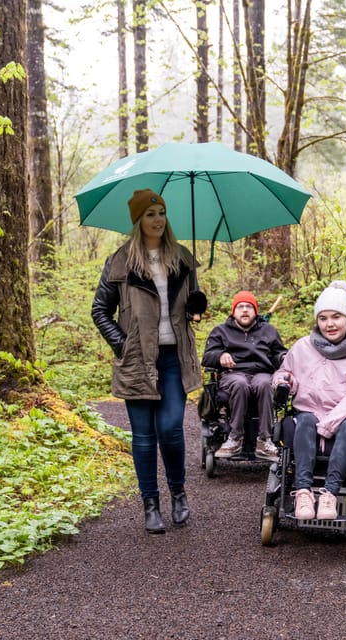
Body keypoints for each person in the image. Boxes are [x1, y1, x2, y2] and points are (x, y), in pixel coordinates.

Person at [91, 188, 208, 535]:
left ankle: (179, 494)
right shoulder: (120, 262)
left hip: (173, 358)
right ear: (138, 221)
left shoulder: (183, 258)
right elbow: (100, 310)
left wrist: (196, 305)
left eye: (162, 213)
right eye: (150, 215)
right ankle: (150, 504)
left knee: (170, 428)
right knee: (143, 437)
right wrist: (121, 344)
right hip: (137, 359)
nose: (158, 220)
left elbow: (191, 309)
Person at [272, 280, 346, 520]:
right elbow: (285, 371)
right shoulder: (303, 347)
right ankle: (302, 491)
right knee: (303, 421)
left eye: (336, 317)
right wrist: (283, 382)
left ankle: (329, 495)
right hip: (310, 413)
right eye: (323, 318)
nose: (329, 324)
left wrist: (330, 422)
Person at [201, 291, 287, 461]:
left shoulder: (268, 331)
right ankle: (234, 438)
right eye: (241, 307)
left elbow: (279, 353)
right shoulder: (221, 331)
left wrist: (284, 358)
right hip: (233, 374)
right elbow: (207, 357)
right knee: (240, 383)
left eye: (249, 306)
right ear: (234, 311)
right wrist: (220, 356)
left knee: (265, 384)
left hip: (261, 373)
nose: (245, 310)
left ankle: (264, 440)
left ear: (255, 311)